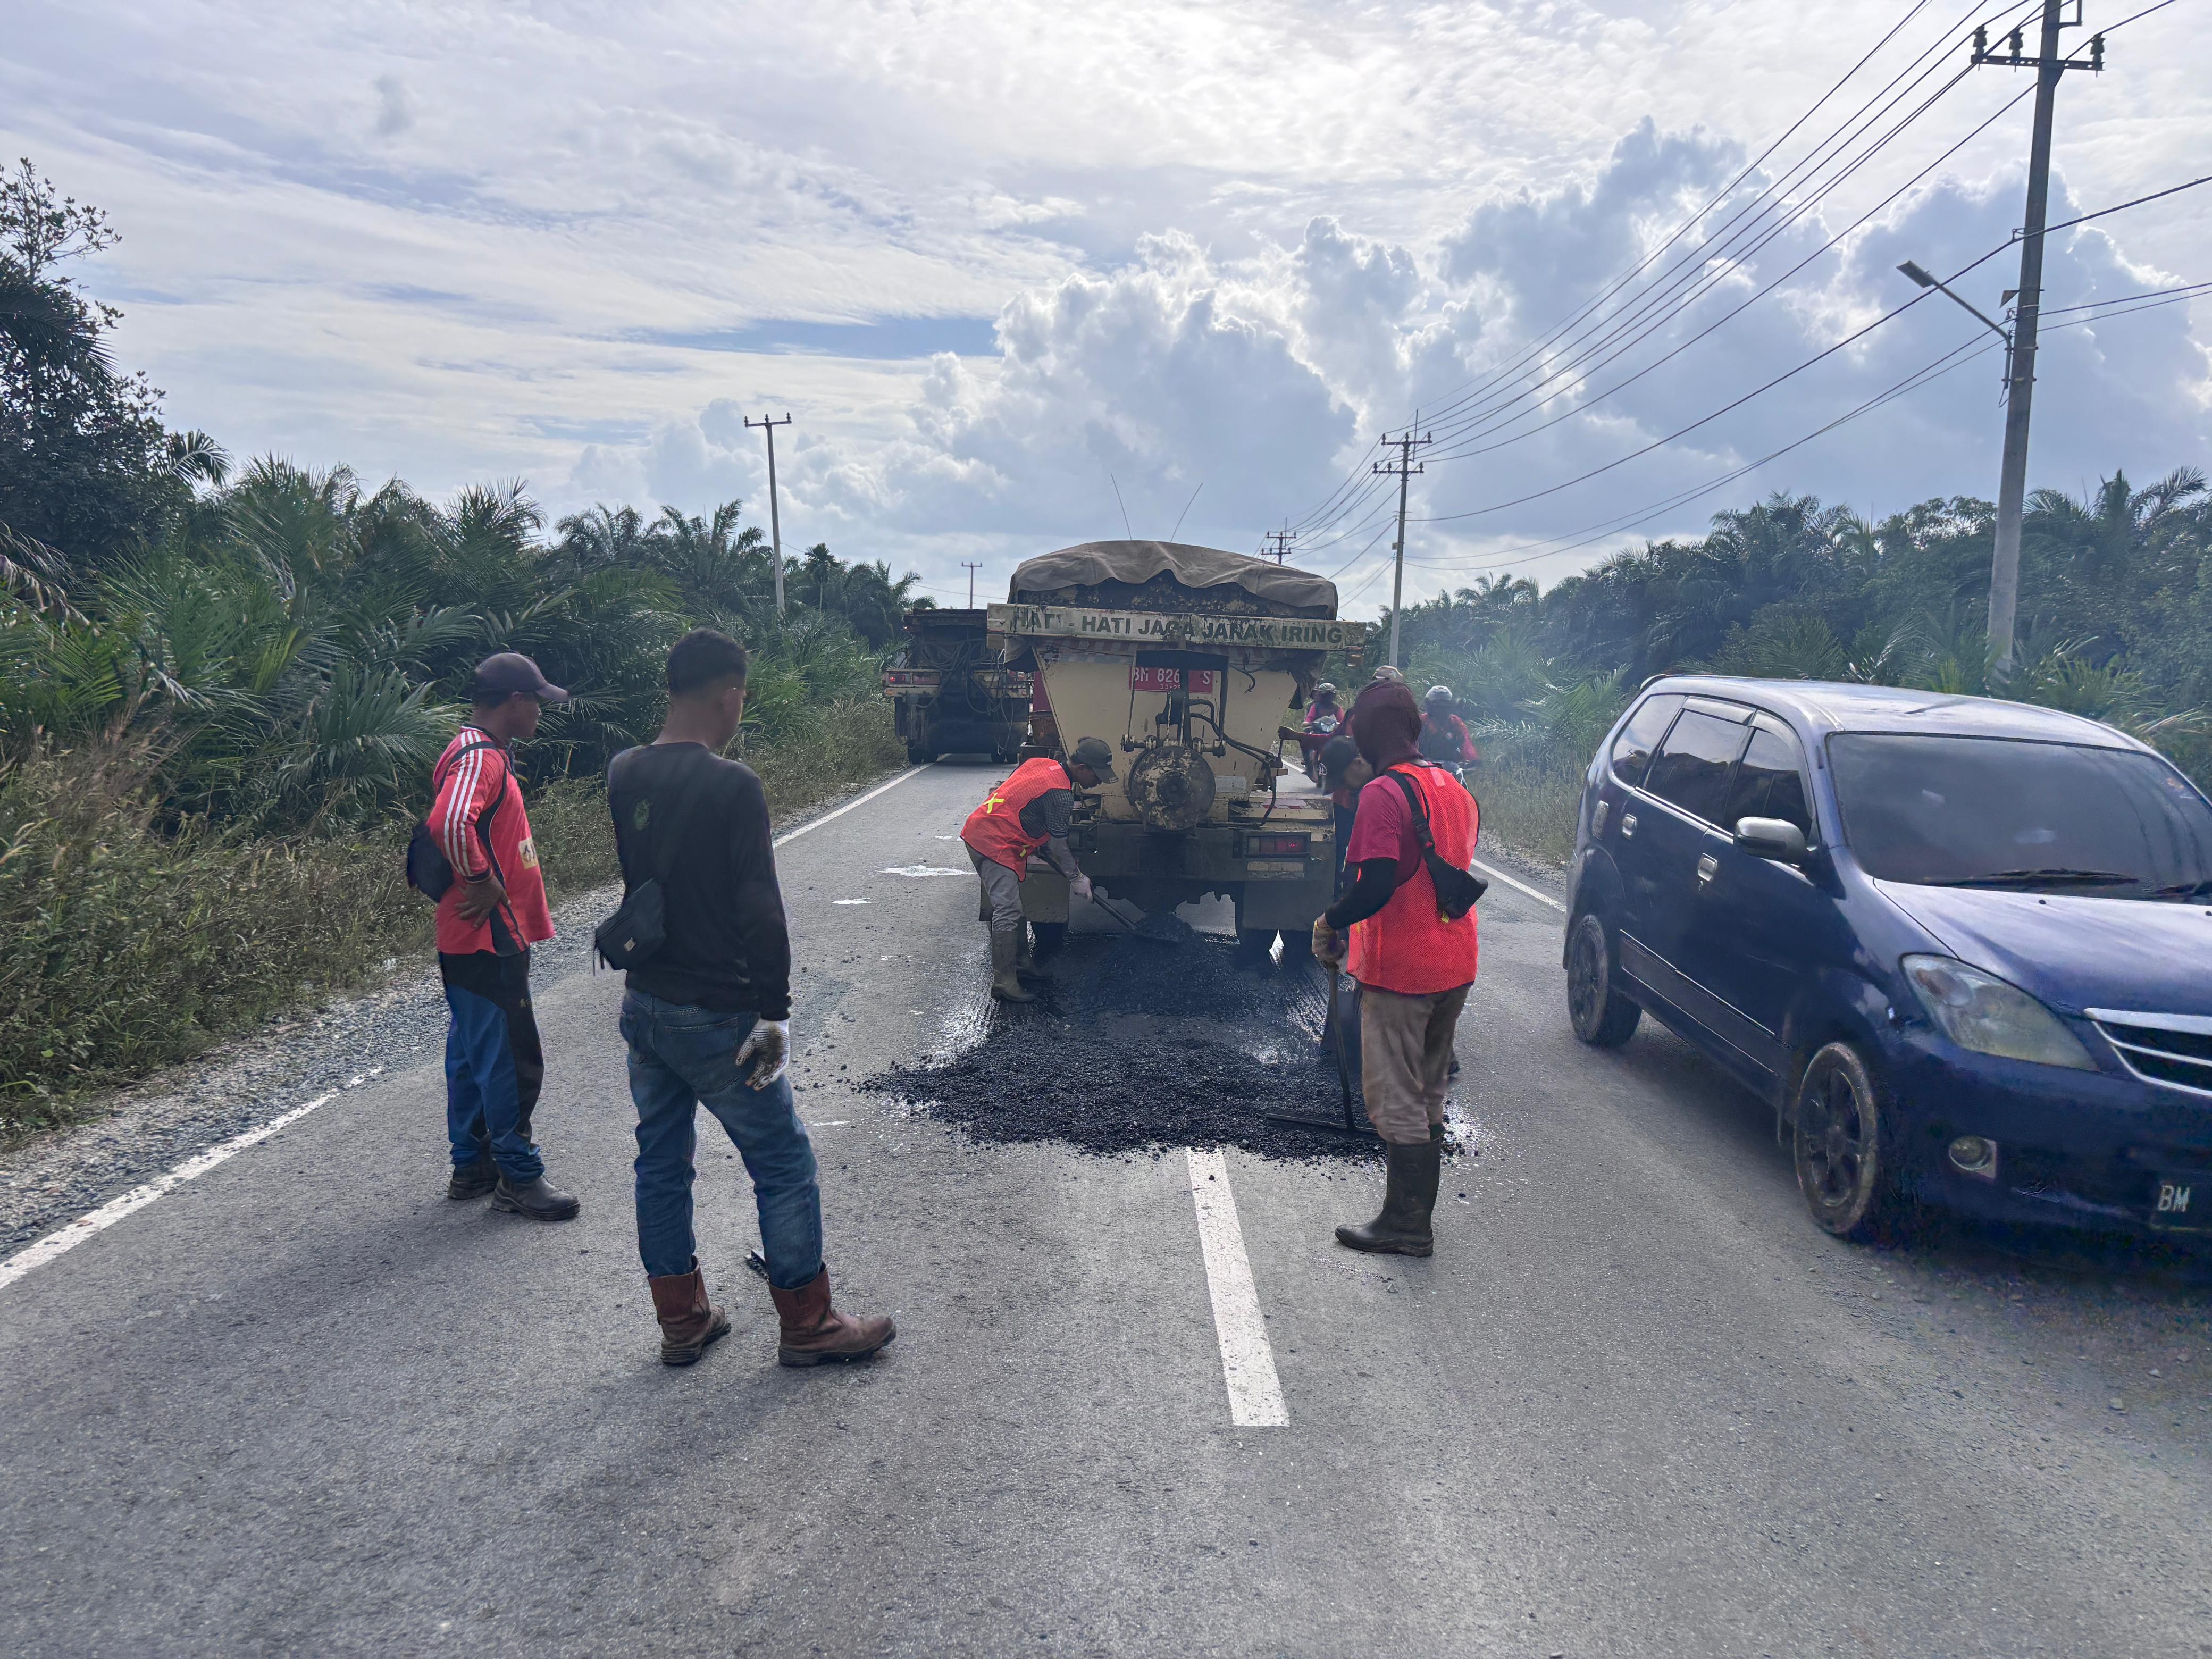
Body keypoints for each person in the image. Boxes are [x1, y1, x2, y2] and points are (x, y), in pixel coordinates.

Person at [608, 628, 893, 1368]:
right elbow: (760, 909)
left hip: (646, 1007)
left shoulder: (624, 772)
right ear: (728, 694)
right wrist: (775, 1013)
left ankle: (683, 1321)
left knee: (661, 1163)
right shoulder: (733, 785)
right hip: (718, 1013)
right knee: (784, 1162)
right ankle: (809, 1321)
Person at [1310, 678, 1479, 1258]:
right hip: (1454, 963)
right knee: (1429, 1090)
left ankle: (1406, 1224)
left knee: (1397, 1098)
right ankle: (1412, 1215)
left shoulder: (1383, 794)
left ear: (1367, 732)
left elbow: (1376, 884)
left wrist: (1331, 922)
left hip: (1402, 972)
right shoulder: (1449, 785)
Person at [426, 651, 580, 1222]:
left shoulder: (473, 750)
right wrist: (482, 878)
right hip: (488, 935)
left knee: (471, 1051)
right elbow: (450, 821)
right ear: (514, 702)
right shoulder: (480, 758)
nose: (539, 710)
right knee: (512, 1058)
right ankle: (518, 1176)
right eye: (535, 701)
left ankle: (472, 1166)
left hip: (468, 936)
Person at [961, 737, 1112, 1002]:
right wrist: (1076, 878)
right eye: (1097, 775)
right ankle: (1004, 982)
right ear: (1082, 767)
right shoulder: (1061, 795)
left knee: (1015, 906)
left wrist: (1036, 836)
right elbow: (1058, 844)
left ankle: (1021, 964)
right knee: (1008, 909)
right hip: (992, 842)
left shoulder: (1041, 763)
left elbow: (1021, 798)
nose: (1098, 782)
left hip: (991, 830)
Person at [1419, 685, 1479, 772]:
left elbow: (1466, 744)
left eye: (1443, 705)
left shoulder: (1456, 723)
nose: (1440, 709)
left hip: (1452, 768)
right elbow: (1412, 747)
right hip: (1424, 767)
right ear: (1429, 705)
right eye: (1437, 705)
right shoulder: (1421, 722)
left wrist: (1472, 762)